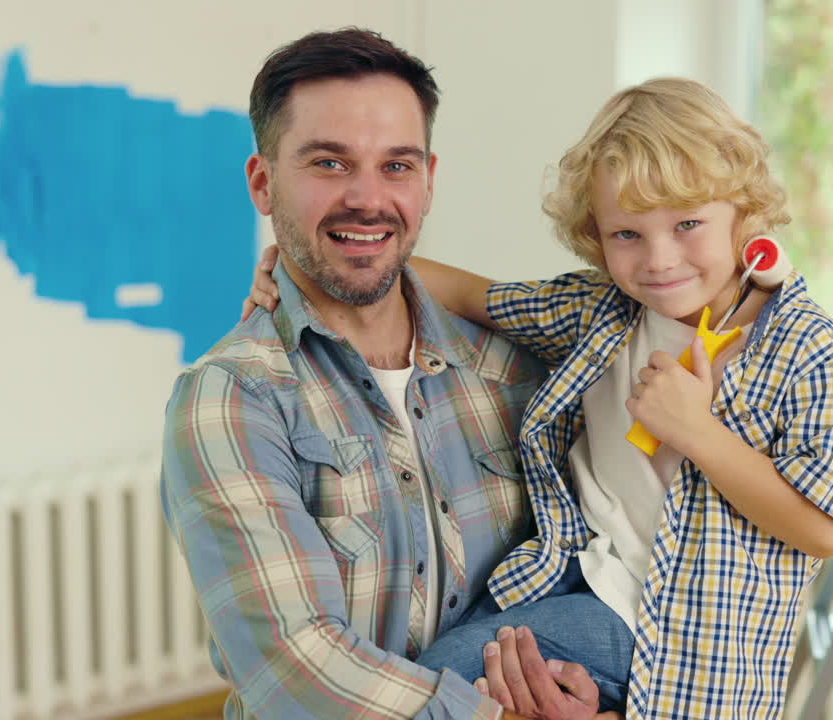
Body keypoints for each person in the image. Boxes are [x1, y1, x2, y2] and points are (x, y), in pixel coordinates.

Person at [246, 77, 833, 718]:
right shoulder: (602, 310)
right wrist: (298, 268)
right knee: (427, 670)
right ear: (595, 235)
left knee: (437, 686)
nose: (658, 259)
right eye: (627, 234)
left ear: (745, 213)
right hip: (567, 573)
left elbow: (822, 530)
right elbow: (462, 293)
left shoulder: (810, 353)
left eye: (688, 224)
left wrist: (698, 433)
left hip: (662, 632)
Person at [160, 27, 615, 720]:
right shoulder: (231, 400)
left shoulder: (516, 367)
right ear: (263, 181)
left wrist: (591, 699)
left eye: (396, 166)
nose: (367, 199)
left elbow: (601, 560)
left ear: (428, 180)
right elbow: (298, 667)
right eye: (330, 164)